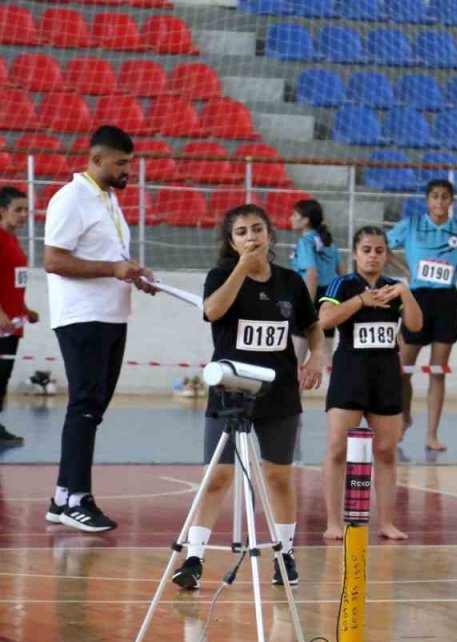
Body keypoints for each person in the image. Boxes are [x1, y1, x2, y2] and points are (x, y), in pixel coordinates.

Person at [170, 204, 325, 591]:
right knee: (217, 475)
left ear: (270, 234)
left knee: (278, 475)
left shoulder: (289, 282)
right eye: (241, 232)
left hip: (279, 390)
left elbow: (312, 325)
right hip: (230, 389)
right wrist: (241, 268)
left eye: (257, 229)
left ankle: (285, 554)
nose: (252, 237)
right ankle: (193, 557)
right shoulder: (222, 275)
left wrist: (316, 356)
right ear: (231, 240)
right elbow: (212, 310)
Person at [43, 125, 157, 533]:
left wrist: (133, 273)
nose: (129, 170)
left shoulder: (106, 200)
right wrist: (112, 269)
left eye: (131, 162)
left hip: (111, 315)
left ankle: (61, 497)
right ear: (95, 159)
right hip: (82, 317)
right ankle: (78, 498)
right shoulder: (71, 199)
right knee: (86, 406)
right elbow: (54, 260)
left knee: (95, 407)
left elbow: (110, 258)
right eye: (121, 163)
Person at [318, 226, 423, 541]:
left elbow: (416, 326)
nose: (373, 256)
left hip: (386, 374)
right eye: (366, 250)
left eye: (379, 251)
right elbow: (324, 319)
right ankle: (333, 522)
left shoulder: (394, 288)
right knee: (338, 448)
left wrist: (406, 292)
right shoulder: (343, 284)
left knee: (386, 450)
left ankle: (387, 523)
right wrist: (361, 301)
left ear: (386, 255)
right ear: (355, 253)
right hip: (350, 372)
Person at [387, 179, 457, 451]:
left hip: (446, 300)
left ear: (451, 201)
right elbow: (383, 245)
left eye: (445, 197)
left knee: (438, 372)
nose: (440, 202)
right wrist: (404, 268)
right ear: (427, 200)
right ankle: (404, 418)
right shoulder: (411, 224)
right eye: (435, 196)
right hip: (417, 298)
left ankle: (432, 434)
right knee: (402, 370)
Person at [0, 186, 37, 445]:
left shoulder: (12, 240)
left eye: (26, 210)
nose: (24, 215)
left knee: (3, 377)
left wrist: (24, 309)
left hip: (14, 324)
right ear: (2, 211)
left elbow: (12, 282)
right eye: (18, 210)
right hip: (2, 324)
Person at [288, 198, 342, 362]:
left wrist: (307, 306)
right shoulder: (329, 241)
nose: (290, 217)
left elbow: (312, 275)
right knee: (326, 359)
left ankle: (295, 389)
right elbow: (342, 272)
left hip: (311, 296)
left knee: (296, 359)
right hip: (329, 299)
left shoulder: (305, 242)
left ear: (305, 220)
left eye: (294, 214)